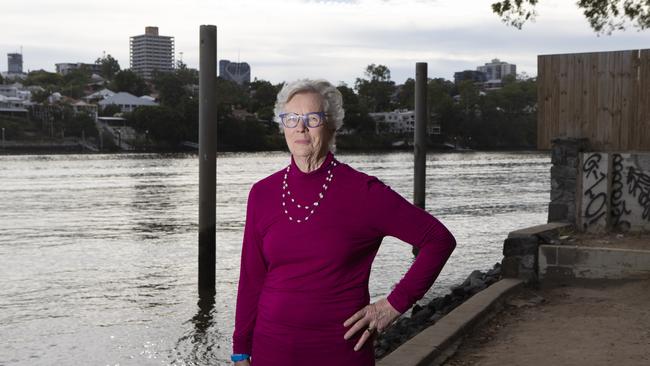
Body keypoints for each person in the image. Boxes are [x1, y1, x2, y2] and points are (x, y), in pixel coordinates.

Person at [231, 79, 456, 366]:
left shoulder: (363, 192)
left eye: (312, 118)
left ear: (332, 125)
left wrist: (392, 306)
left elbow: (438, 240)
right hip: (270, 349)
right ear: (283, 125)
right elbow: (252, 278)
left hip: (338, 351)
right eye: (291, 118)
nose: (301, 127)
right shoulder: (262, 193)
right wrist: (240, 350)